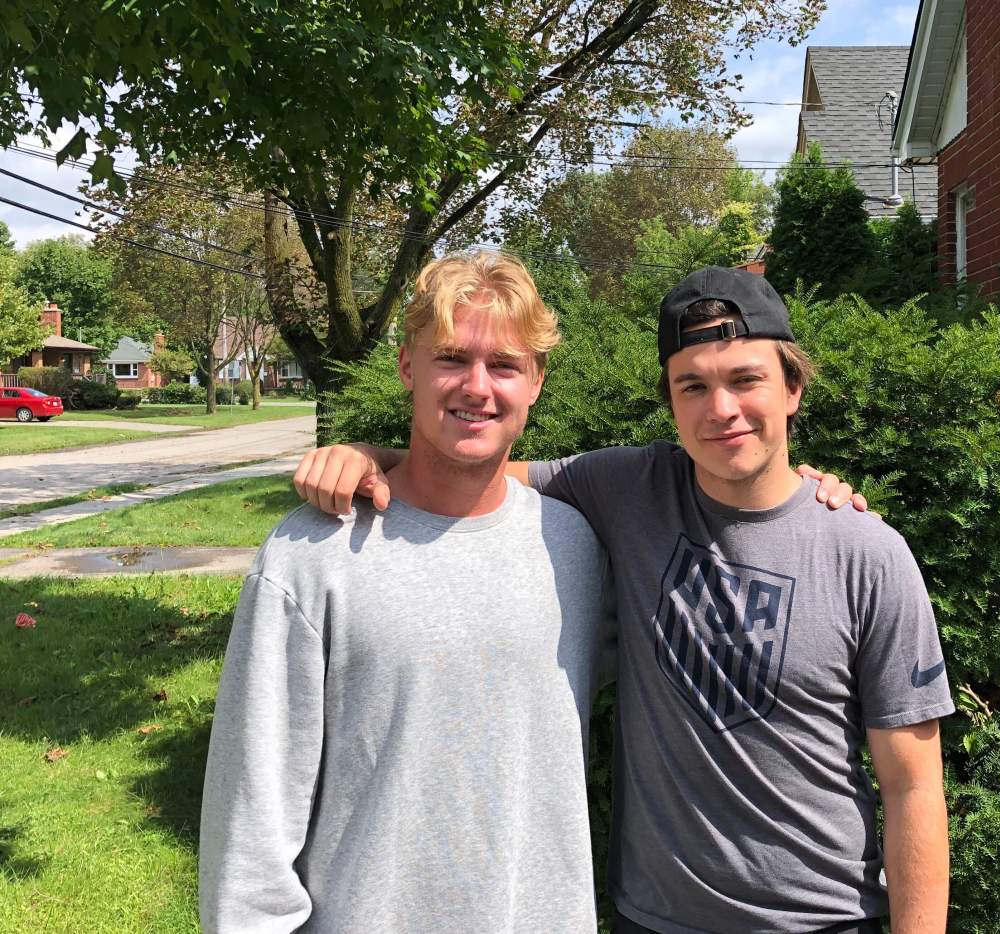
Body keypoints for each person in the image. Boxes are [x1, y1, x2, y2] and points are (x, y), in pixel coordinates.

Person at [294, 266, 953, 933]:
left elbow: (914, 786)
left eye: (746, 379)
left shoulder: (867, 555)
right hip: (653, 919)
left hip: (825, 920)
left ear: (793, 388)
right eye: (692, 386)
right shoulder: (626, 489)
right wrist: (364, 457)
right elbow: (468, 469)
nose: (721, 409)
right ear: (671, 404)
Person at [199, 253, 618, 932]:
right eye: (452, 359)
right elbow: (253, 808)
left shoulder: (576, 546)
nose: (478, 387)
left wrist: (809, 498)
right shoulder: (311, 554)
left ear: (536, 382)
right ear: (406, 368)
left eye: (505, 366)